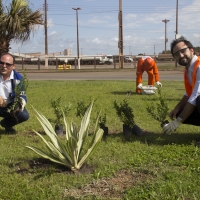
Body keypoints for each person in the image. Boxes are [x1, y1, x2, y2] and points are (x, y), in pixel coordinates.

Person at [162, 36, 200, 141]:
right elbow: (189, 93)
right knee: (180, 112)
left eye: (183, 51)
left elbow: (195, 95)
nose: (181, 55)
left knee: (199, 99)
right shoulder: (188, 69)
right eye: (177, 54)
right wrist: (177, 108)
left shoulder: (199, 66)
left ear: (192, 50)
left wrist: (178, 122)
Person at [0, 53, 29, 133]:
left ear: (13, 66)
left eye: (8, 64)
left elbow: (22, 96)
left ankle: (6, 124)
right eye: (1, 63)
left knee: (23, 115)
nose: (4, 66)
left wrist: (18, 105)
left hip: (10, 107)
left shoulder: (19, 79)